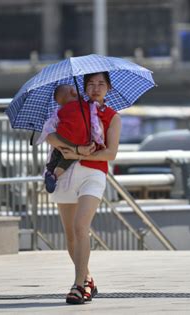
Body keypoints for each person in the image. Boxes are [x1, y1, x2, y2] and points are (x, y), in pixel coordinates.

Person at [46, 72, 121, 304]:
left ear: (108, 88)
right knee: (70, 235)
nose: (95, 88)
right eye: (90, 84)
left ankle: (78, 286)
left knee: (81, 226)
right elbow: (50, 136)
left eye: (101, 84)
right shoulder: (70, 109)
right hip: (66, 175)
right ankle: (87, 278)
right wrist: (72, 149)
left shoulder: (112, 117)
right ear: (83, 87)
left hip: (94, 173)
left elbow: (110, 152)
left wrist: (79, 153)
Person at [37, 84, 105, 193]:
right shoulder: (87, 106)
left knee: (58, 151)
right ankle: (55, 175)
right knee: (67, 159)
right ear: (74, 92)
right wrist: (100, 140)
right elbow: (96, 123)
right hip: (81, 141)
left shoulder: (60, 110)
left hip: (62, 137)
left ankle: (50, 171)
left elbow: (54, 126)